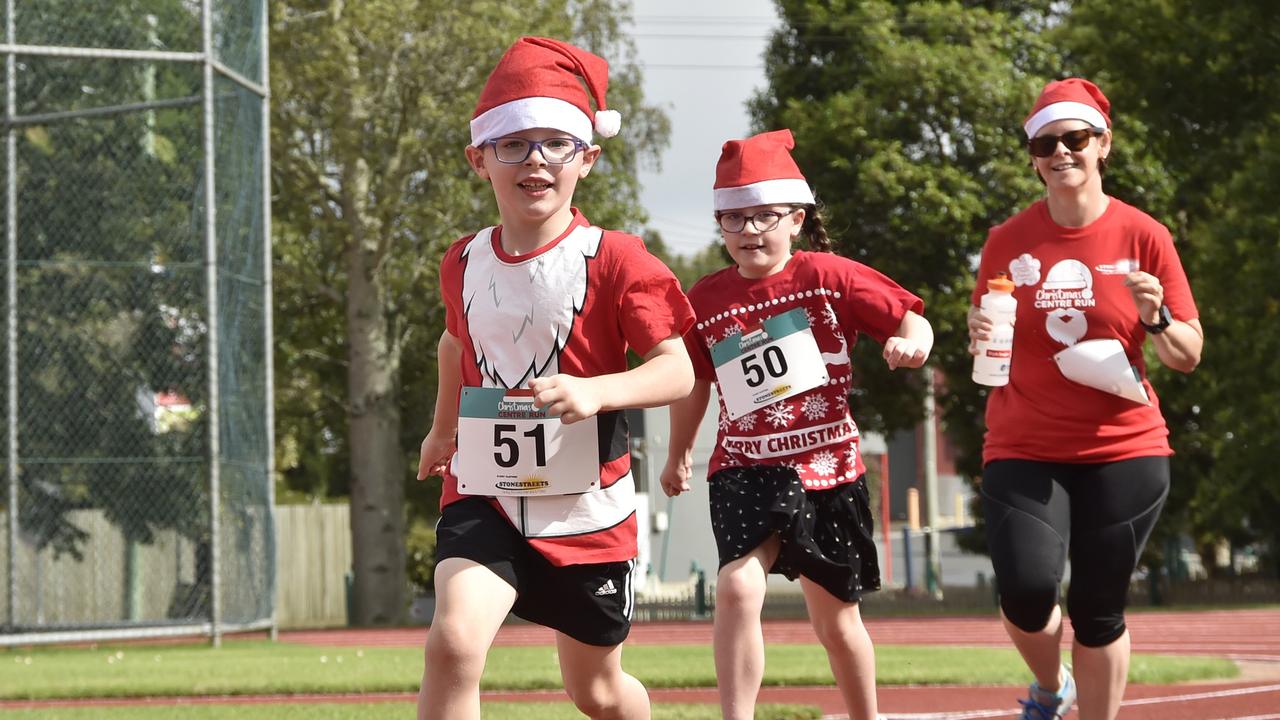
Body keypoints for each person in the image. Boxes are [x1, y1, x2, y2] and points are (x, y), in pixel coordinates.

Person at [414, 36, 695, 720]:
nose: (534, 158)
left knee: (597, 693)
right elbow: (455, 343)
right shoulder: (462, 261)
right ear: (478, 158)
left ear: (587, 160)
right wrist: (442, 430)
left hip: (586, 510)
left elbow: (677, 369)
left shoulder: (619, 259)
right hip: (485, 489)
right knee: (453, 641)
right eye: (512, 143)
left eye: (555, 143)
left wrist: (597, 391)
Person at [660, 129, 933, 720]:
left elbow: (910, 317)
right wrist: (678, 452)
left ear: (797, 218)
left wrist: (912, 345)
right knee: (736, 587)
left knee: (836, 619)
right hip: (745, 466)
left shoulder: (829, 276)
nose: (748, 231)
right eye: (734, 219)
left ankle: (867, 715)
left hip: (829, 468)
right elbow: (694, 381)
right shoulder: (704, 300)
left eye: (764, 216)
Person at [968, 77, 1203, 720]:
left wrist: (1155, 320)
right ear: (1033, 157)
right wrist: (980, 334)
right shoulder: (1006, 240)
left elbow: (1187, 354)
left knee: (1097, 610)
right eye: (1045, 143)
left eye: (1074, 138)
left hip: (1124, 448)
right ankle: (1051, 687)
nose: (1060, 153)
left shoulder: (1144, 235)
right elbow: (987, 347)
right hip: (1025, 444)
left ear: (1103, 144)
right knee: (1025, 590)